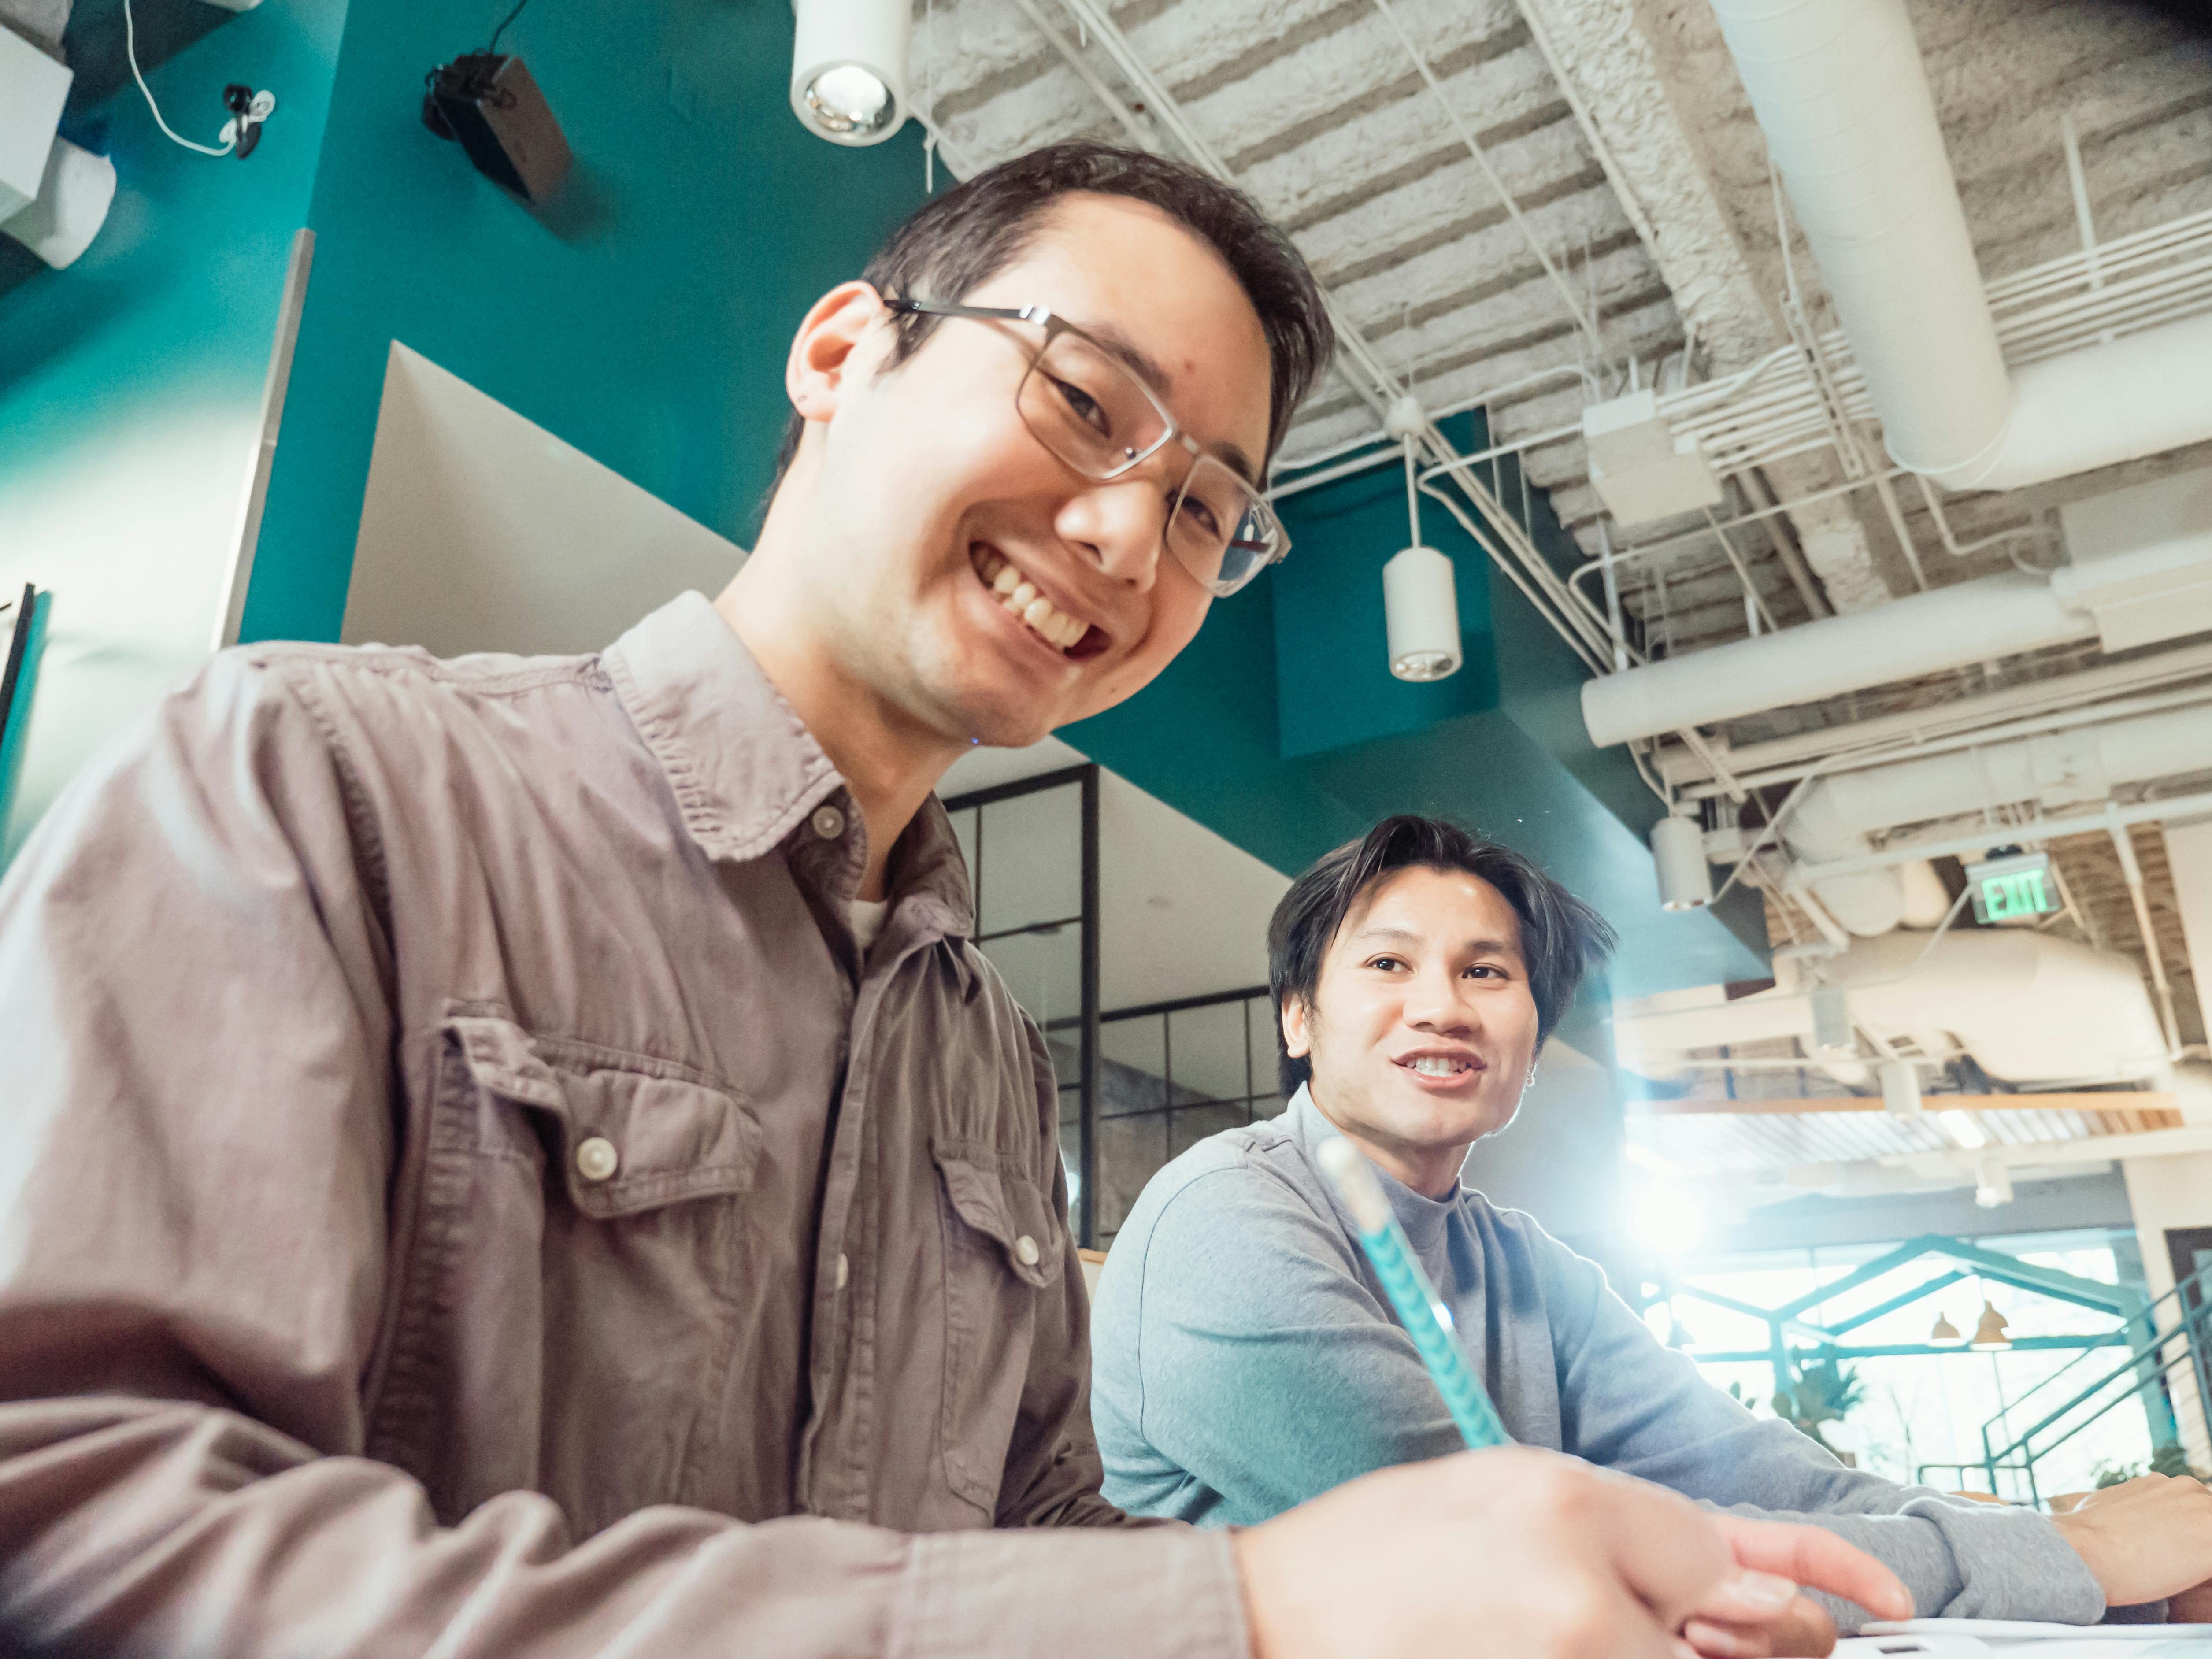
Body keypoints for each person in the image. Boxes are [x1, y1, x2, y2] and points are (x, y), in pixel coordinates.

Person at [0, 147, 1906, 1659]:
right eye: (1084, 401)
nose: (1124, 536)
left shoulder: (981, 1047)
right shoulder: (317, 780)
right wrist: (1244, 1609)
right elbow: (83, 1530)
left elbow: (1037, 1527)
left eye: (1205, 511)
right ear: (843, 353)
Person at [1091, 813, 2212, 1642]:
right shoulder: (1224, 1217)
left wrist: (2116, 1575)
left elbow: (1793, 1486)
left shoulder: (1528, 1266)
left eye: (1487, 971)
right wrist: (2081, 1552)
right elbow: (1520, 1555)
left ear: (1534, 1036)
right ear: (1298, 1015)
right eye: (1388, 963)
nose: (1442, 1005)